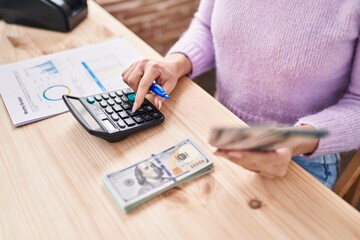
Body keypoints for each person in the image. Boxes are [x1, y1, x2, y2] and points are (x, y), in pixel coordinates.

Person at [122, 1, 360, 189]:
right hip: (222, 127)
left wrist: (293, 141)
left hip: (300, 156)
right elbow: (206, 26)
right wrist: (175, 63)